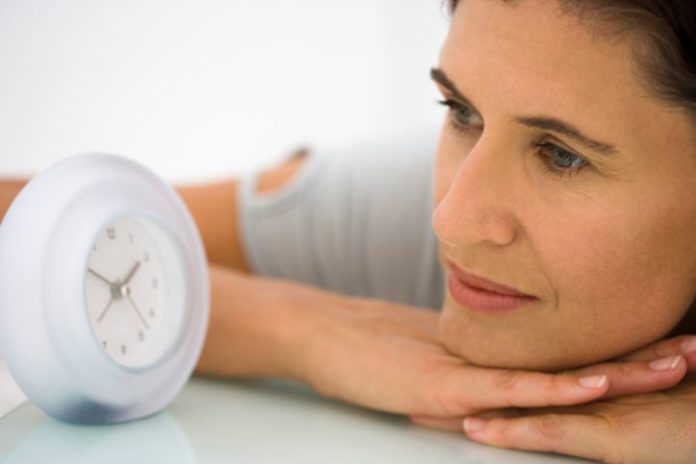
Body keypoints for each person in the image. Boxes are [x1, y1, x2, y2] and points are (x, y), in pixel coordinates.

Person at [1, 0, 695, 461]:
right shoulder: (399, 204)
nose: (449, 219)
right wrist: (300, 331)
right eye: (459, 111)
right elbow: (25, 220)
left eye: (561, 154)